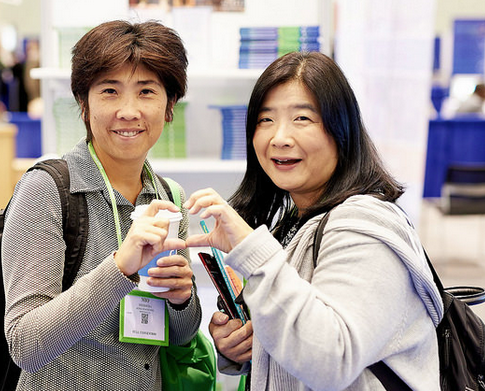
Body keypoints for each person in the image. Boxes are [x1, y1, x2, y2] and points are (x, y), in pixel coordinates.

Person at [185, 51, 444, 390]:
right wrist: (246, 346)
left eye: (302, 119)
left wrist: (252, 250)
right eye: (265, 120)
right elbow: (301, 336)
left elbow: (330, 361)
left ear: (341, 129)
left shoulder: (363, 229)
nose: (279, 137)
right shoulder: (295, 222)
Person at [1, 20, 201, 390]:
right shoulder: (48, 189)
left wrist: (182, 299)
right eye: (110, 91)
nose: (128, 111)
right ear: (83, 103)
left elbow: (179, 337)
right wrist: (119, 269)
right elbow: (25, 343)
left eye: (146, 92)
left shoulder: (169, 198)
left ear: (169, 105)